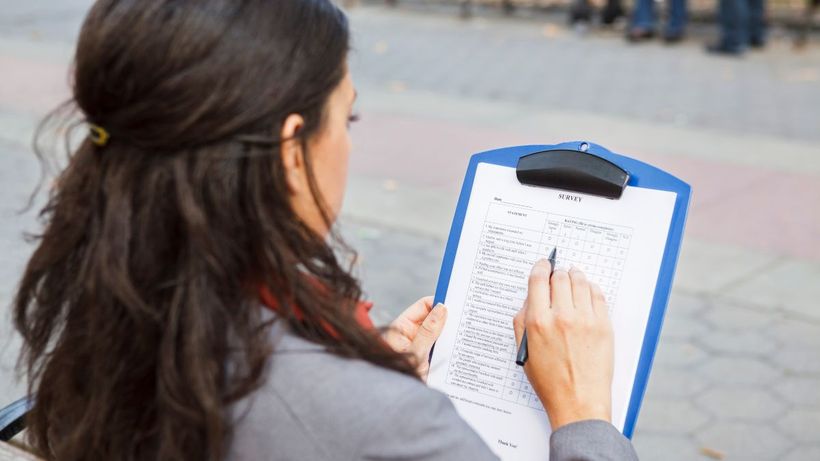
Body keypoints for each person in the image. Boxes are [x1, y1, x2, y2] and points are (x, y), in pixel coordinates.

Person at [12, 1, 638, 460]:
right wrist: (582, 414)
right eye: (348, 115)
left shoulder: (118, 293)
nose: (348, 141)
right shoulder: (385, 425)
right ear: (291, 148)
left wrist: (352, 366)